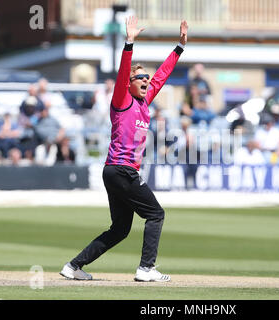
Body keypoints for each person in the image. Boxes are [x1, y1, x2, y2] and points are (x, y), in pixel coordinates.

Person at [60, 16, 188, 282]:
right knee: (156, 214)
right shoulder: (122, 100)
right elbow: (123, 72)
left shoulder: (144, 102)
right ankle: (146, 269)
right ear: (129, 83)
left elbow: (161, 77)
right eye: (139, 77)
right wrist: (129, 43)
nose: (145, 80)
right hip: (121, 169)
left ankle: (73, 267)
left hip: (116, 172)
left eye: (146, 78)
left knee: (120, 229)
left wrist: (179, 47)